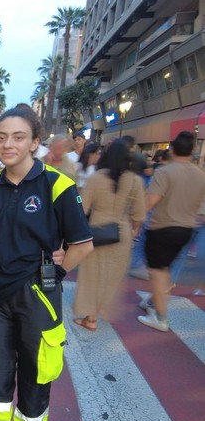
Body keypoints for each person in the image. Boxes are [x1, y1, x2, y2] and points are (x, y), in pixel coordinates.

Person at [0, 107, 93, 421]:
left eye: (18, 137)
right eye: (2, 136)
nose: (9, 144)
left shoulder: (56, 186)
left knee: (37, 377)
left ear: (35, 143)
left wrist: (53, 274)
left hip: (37, 297)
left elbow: (82, 244)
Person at [72, 139, 146, 331]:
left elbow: (83, 208)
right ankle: (101, 310)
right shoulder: (135, 180)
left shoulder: (96, 178)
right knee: (112, 276)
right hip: (122, 233)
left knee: (91, 275)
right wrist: (134, 228)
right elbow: (138, 214)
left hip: (97, 232)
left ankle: (90, 317)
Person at [137, 131, 205, 331]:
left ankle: (161, 318)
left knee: (157, 272)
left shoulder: (165, 172)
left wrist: (137, 222)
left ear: (172, 149)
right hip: (186, 229)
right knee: (165, 269)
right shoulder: (200, 174)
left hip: (162, 228)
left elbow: (150, 201)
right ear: (192, 150)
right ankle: (153, 301)